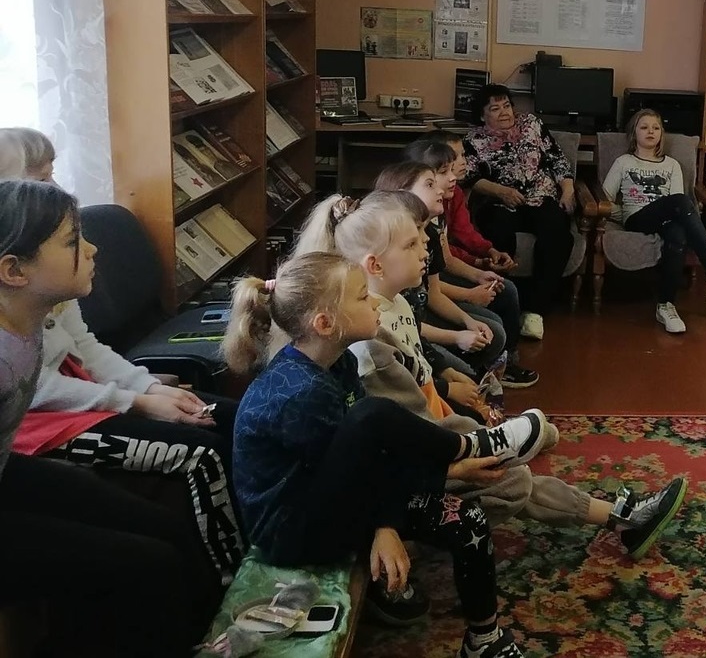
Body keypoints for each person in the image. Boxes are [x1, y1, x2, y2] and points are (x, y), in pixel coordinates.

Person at [300, 188, 689, 558]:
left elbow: (420, 373)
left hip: (432, 429)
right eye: (412, 244)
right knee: (512, 480)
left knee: (511, 464)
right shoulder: (369, 338)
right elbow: (404, 427)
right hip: (413, 457)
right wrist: (465, 448)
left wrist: (455, 403)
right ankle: (414, 545)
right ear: (375, 264)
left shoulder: (398, 304)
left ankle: (622, 519)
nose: (427, 250)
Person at [224, 248, 555, 657]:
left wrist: (398, 512)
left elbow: (367, 460)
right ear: (325, 324)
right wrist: (389, 522)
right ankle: (469, 445)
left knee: (465, 519)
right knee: (372, 415)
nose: (375, 304)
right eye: (363, 297)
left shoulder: (338, 362)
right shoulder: (301, 394)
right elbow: (361, 473)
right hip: (295, 532)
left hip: (331, 497)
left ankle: (484, 640)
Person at [0, 180, 212, 656]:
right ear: (14, 270)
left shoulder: (34, 315)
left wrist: (144, 388)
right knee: (146, 565)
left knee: (166, 529)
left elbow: (86, 351)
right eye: (73, 241)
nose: (93, 249)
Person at [404, 136, 539, 389]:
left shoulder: (437, 213)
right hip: (419, 316)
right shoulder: (408, 228)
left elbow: (446, 258)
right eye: (444, 170)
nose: (456, 171)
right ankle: (477, 373)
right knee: (492, 332)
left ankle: (497, 366)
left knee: (503, 299)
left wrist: (480, 270)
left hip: (425, 303)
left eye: (460, 158)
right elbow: (425, 297)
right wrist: (469, 297)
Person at [601, 109, 706, 333]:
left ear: (661, 134)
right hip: (637, 218)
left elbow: (680, 208)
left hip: (668, 218)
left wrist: (691, 229)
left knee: (677, 234)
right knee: (680, 201)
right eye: (644, 127)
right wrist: (622, 215)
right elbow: (605, 199)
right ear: (633, 133)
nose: (650, 131)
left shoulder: (672, 165)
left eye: (656, 127)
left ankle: (665, 305)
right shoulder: (624, 162)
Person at [372, 161, 505, 383]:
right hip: (414, 335)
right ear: (403, 193)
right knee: (464, 377)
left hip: (417, 325)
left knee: (492, 333)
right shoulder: (389, 250)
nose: (441, 189)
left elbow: (427, 297)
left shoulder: (431, 234)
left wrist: (467, 322)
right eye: (430, 184)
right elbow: (408, 328)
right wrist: (457, 336)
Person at [463, 83, 577, 341]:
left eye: (507, 106)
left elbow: (557, 160)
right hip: (498, 202)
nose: (505, 112)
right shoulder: (473, 140)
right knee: (497, 232)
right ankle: (503, 301)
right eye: (495, 108)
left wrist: (568, 190)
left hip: (541, 197)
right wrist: (499, 191)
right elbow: (469, 178)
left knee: (559, 235)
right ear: (482, 115)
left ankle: (535, 310)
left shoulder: (532, 125)